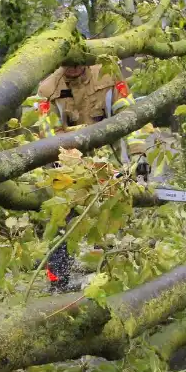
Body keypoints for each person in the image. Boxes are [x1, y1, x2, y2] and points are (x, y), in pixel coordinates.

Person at [30, 63, 153, 290]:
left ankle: (112, 275)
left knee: (112, 215)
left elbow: (129, 115)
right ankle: (58, 280)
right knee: (60, 219)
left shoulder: (108, 75)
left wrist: (139, 154)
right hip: (64, 163)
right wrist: (76, 164)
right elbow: (48, 134)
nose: (73, 69)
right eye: (68, 64)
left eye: (78, 63)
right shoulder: (48, 89)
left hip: (108, 159)